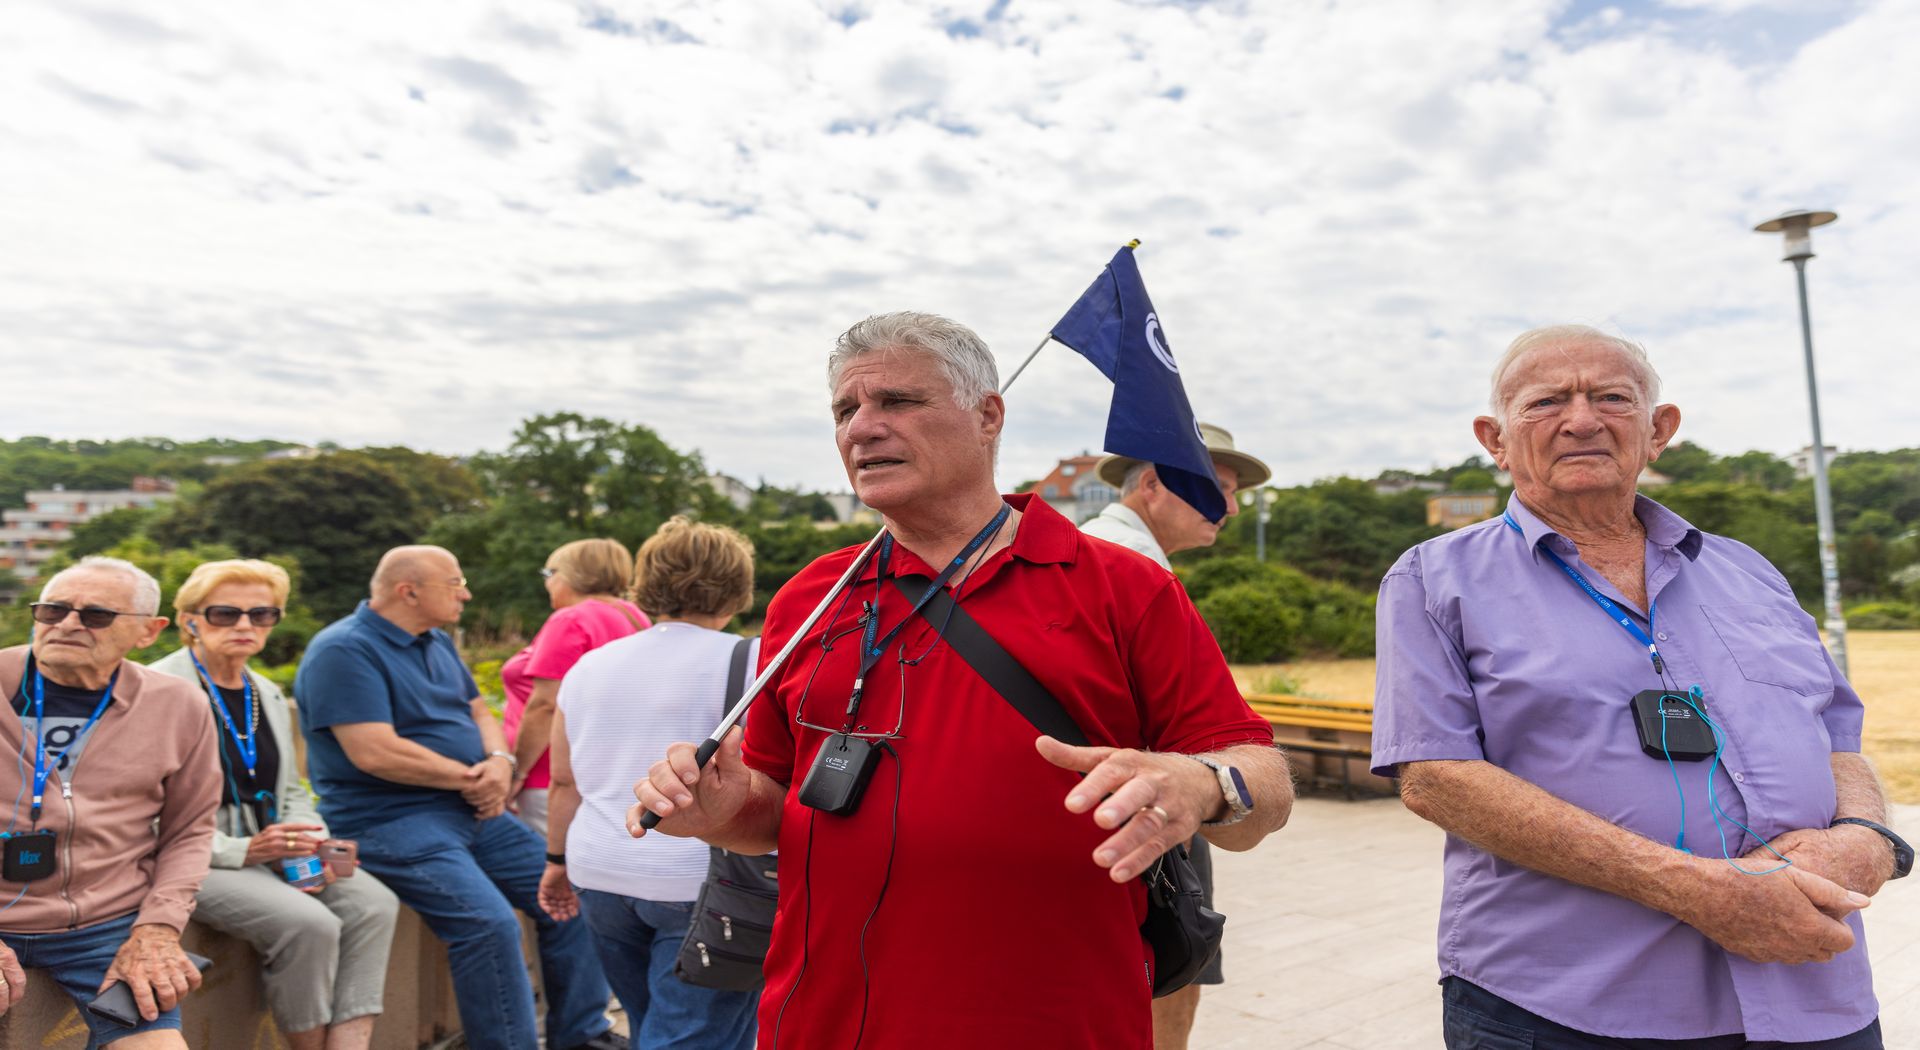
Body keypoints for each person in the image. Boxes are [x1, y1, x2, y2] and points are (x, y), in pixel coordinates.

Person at [631, 311, 1295, 1049]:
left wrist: (1201, 785)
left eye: (898, 402)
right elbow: (772, 809)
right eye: (846, 410)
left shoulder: (1123, 587)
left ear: (987, 415)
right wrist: (721, 808)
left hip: (1054, 1022)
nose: (862, 428)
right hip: (820, 1022)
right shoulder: (811, 596)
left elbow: (1262, 783)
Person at [1373, 324, 1894, 1048]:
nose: (1581, 419)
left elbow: (1837, 735)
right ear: (1494, 438)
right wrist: (1691, 888)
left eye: (1612, 398)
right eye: (1546, 400)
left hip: (1814, 986)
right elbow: (1436, 776)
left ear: (1659, 430)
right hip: (1567, 1006)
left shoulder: (1751, 572)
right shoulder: (1433, 580)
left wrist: (1867, 839)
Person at [293, 546, 623, 1050]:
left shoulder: (434, 641)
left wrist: (500, 763)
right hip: (389, 820)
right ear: (409, 591)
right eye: (455, 582)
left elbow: (478, 712)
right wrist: (474, 779)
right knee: (488, 925)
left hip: (471, 811)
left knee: (572, 894)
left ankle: (580, 1037)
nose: (466, 593)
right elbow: (374, 752)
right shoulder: (343, 650)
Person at [148, 559, 400, 1050]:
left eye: (262, 614)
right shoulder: (159, 690)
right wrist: (243, 851)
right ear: (190, 621)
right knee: (309, 924)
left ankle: (350, 1041)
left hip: (269, 845)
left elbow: (290, 791)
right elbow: (142, 809)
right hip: (193, 854)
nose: (245, 625)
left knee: (373, 904)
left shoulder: (263, 689)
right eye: (225, 613)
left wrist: (310, 839)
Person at [1081, 423, 1271, 1050]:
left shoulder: (1107, 550)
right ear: (1153, 482)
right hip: (1138, 806)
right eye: (1217, 488)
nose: (1233, 507)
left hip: (1120, 799)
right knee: (1166, 969)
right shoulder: (1122, 560)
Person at [539, 518, 760, 1050]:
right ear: (737, 586)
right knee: (690, 1036)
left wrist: (556, 862)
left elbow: (564, 780)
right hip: (704, 880)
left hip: (602, 871)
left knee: (648, 1026)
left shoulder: (589, 666)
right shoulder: (754, 661)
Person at [0, 556, 221, 1049]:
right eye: (52, 611)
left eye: (95, 615)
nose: (69, 624)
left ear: (148, 631)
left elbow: (190, 830)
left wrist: (159, 928)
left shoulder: (178, 705)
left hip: (106, 925)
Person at [502, 539, 650, 836]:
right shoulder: (634, 616)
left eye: (549, 573)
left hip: (549, 776)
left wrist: (516, 772)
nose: (548, 583)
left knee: (549, 869)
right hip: (605, 770)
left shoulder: (570, 619)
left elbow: (545, 704)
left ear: (572, 574)